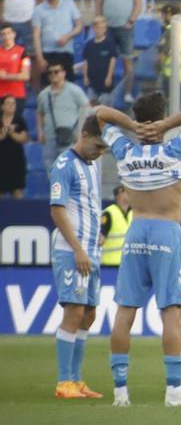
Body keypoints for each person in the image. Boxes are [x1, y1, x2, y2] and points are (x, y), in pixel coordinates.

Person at [96, 95, 181, 407]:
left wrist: (131, 126)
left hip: (136, 232)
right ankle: (174, 389)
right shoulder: (175, 149)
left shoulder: (124, 150)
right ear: (162, 118)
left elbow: (100, 115)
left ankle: (120, 392)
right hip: (166, 231)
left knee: (125, 310)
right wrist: (167, 125)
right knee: (171, 312)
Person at [48, 113, 109, 401]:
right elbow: (58, 210)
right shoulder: (64, 165)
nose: (100, 152)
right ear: (84, 135)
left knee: (89, 313)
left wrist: (96, 234)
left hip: (91, 250)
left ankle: (76, 379)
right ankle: (64, 382)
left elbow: (87, 205)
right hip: (73, 252)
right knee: (73, 312)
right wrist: (78, 248)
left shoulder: (93, 165)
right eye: (97, 146)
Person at [95, 0, 141, 103]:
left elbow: (138, 3)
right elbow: (99, 2)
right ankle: (106, 91)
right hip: (108, 27)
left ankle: (127, 93)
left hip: (125, 27)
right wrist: (99, 21)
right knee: (105, 60)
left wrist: (131, 20)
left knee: (127, 61)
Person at [36, 63, 89, 172]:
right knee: (50, 167)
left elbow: (86, 109)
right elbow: (40, 113)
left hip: (70, 136)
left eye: (56, 71)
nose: (53, 74)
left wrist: (80, 132)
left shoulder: (75, 90)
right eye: (50, 72)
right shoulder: (43, 94)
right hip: (50, 136)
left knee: (70, 169)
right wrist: (40, 132)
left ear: (63, 73)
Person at [32, 0, 81, 81]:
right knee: (47, 87)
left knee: (68, 86)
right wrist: (40, 58)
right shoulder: (38, 10)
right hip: (47, 54)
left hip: (66, 52)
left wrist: (68, 36)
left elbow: (79, 25)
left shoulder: (69, 4)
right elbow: (36, 35)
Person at [79, 17, 118, 106]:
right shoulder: (89, 45)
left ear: (105, 29)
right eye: (96, 28)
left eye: (101, 28)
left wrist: (109, 76)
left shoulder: (109, 44)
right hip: (92, 83)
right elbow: (86, 62)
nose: (98, 30)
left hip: (105, 83)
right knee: (91, 108)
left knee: (105, 109)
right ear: (93, 29)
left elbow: (112, 61)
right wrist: (85, 77)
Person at [0, 94, 27, 198]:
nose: (11, 105)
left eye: (13, 103)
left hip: (16, 160)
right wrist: (3, 134)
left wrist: (12, 133)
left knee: (17, 192)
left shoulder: (19, 120)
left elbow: (24, 138)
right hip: (1, 161)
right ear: (3, 106)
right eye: (8, 103)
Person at [0, 23, 31, 110]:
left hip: (17, 95)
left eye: (9, 33)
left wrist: (6, 76)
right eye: (3, 34)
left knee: (15, 122)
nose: (6, 36)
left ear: (14, 34)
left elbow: (25, 75)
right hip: (0, 94)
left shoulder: (23, 52)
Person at [99, 185, 131, 266]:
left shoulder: (133, 213)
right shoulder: (109, 213)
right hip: (109, 265)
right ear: (120, 194)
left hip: (127, 265)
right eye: (128, 191)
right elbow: (100, 239)